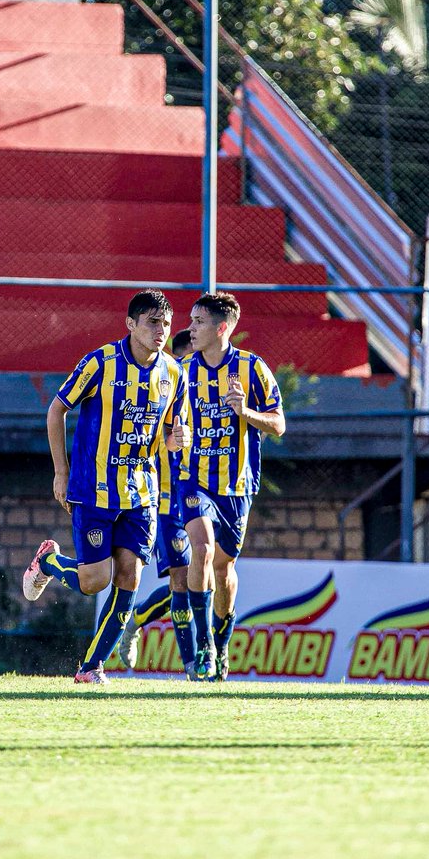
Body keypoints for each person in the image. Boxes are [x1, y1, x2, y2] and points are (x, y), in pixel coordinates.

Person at [22, 289, 190, 684]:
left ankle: (91, 667)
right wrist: (60, 473)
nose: (161, 330)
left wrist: (176, 438)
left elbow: (170, 433)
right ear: (130, 324)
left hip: (142, 494)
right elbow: (57, 408)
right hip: (92, 489)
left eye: (166, 323)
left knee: (129, 577)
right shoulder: (101, 363)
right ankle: (48, 561)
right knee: (92, 581)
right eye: (152, 322)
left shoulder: (173, 373)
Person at [180, 291, 285, 681]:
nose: (190, 328)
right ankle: (204, 643)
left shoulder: (252, 369)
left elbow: (278, 424)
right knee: (202, 550)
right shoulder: (181, 371)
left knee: (223, 569)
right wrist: (172, 439)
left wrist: (245, 412)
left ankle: (222, 646)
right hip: (192, 479)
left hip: (236, 486)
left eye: (199, 322)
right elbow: (163, 421)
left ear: (221, 327)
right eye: (190, 320)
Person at [119, 328, 198, 678]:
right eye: (186, 360)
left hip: (206, 499)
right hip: (167, 502)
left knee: (203, 578)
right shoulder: (160, 390)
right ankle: (196, 666)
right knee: (181, 578)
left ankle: (137, 617)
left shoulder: (216, 393)